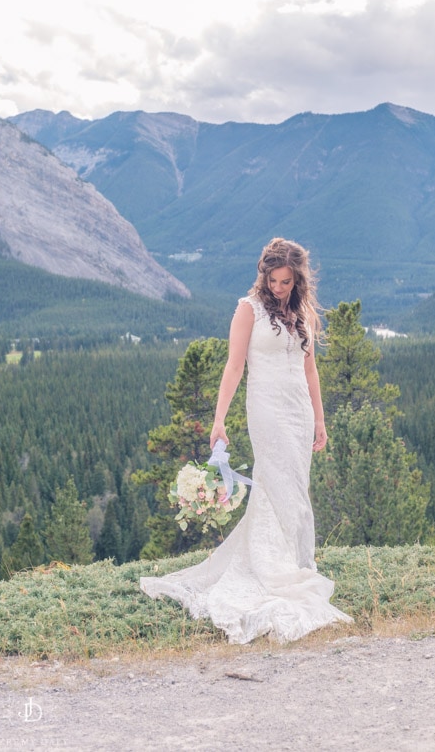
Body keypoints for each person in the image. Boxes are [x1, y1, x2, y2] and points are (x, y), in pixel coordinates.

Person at [140, 237, 353, 643]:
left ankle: (289, 560)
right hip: (267, 408)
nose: (278, 288)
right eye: (273, 280)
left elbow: (311, 373)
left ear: (298, 279)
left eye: (286, 281)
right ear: (264, 275)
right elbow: (234, 366)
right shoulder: (248, 309)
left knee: (295, 487)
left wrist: (320, 420)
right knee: (274, 481)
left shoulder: (303, 312)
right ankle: (270, 566)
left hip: (299, 410)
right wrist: (218, 420)